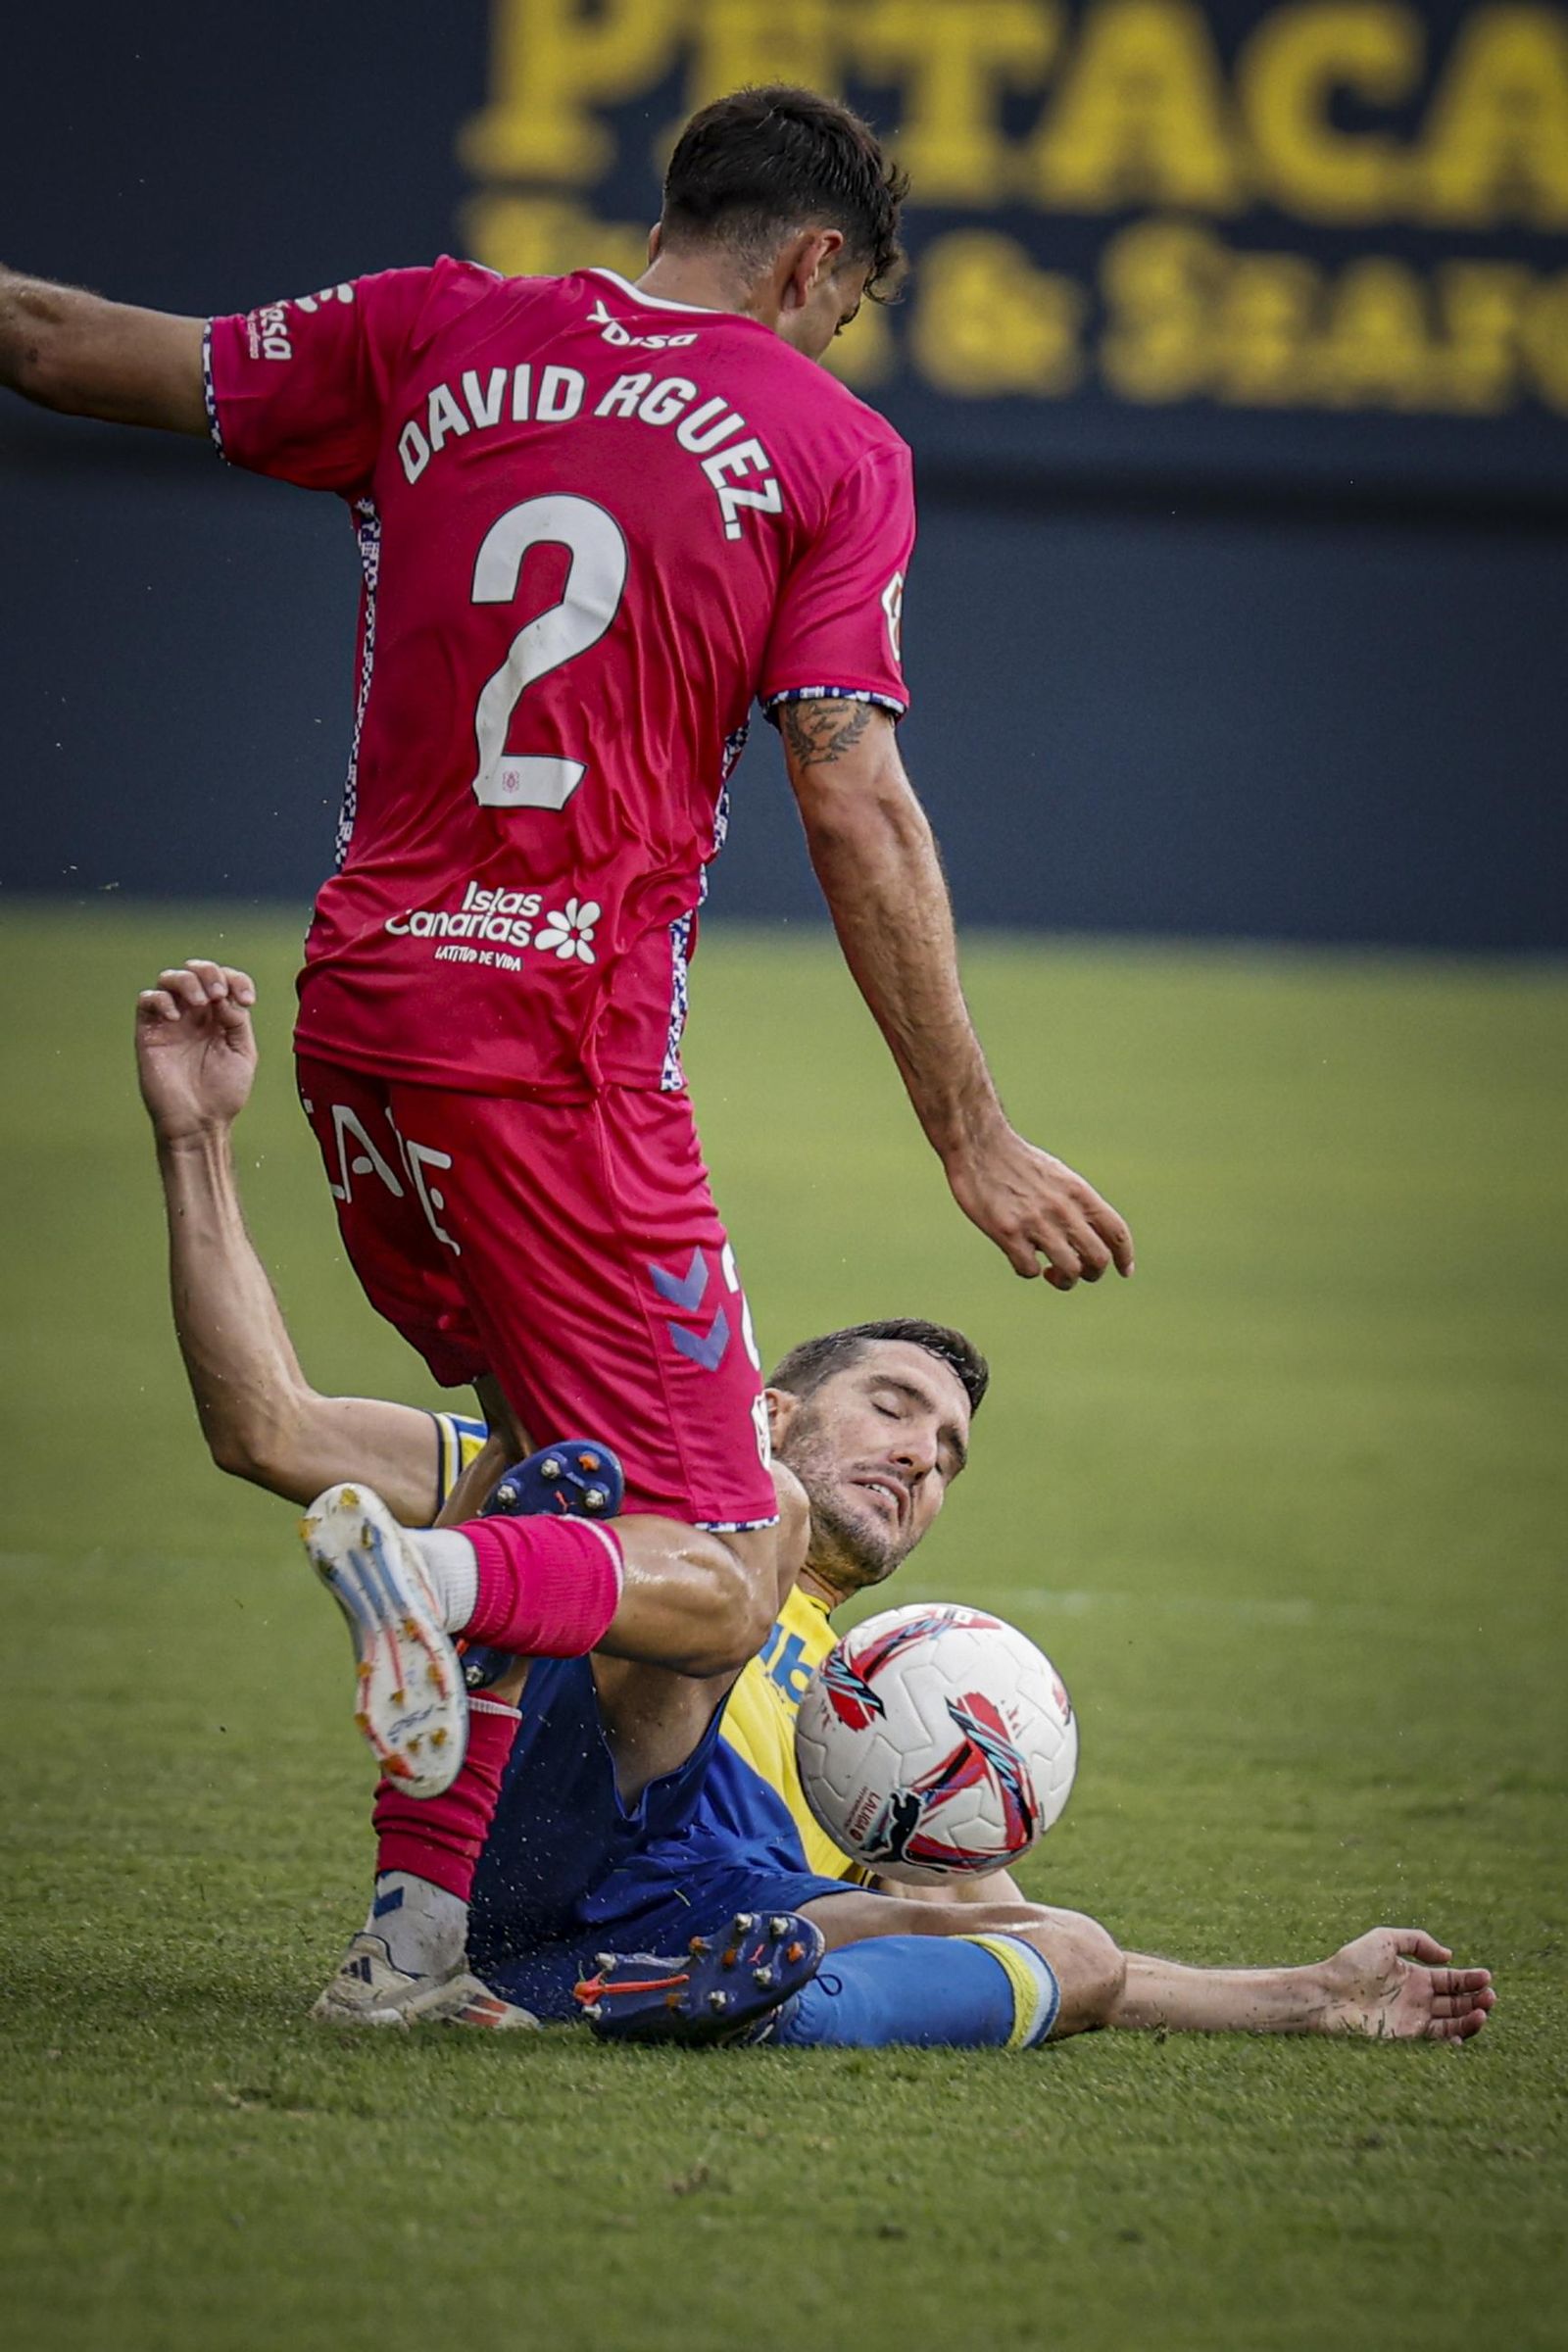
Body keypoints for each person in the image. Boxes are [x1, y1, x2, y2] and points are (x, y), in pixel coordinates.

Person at [9, 86, 1134, 1768]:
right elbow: (854, 796)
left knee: (570, 1500)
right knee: (730, 1566)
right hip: (564, 1053)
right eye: (850, 310)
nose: (838, 339)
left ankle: (425, 1939)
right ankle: (433, 1576)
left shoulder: (433, 328)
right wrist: (970, 1137)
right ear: (816, 262)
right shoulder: (832, 447)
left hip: (365, 1019)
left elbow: (49, 338)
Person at [135, 962, 1494, 2052]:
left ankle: (720, 2006)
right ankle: (454, 1589)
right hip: (536, 1821)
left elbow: (1077, 1964)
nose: (926, 1458)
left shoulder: (894, 1706)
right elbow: (267, 1426)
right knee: (670, 1499)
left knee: (1066, 1949)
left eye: (952, 1454)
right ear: (773, 1400)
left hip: (685, 1928)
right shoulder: (663, 1472)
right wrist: (196, 1140)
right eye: (897, 1407)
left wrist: (1317, 1991)